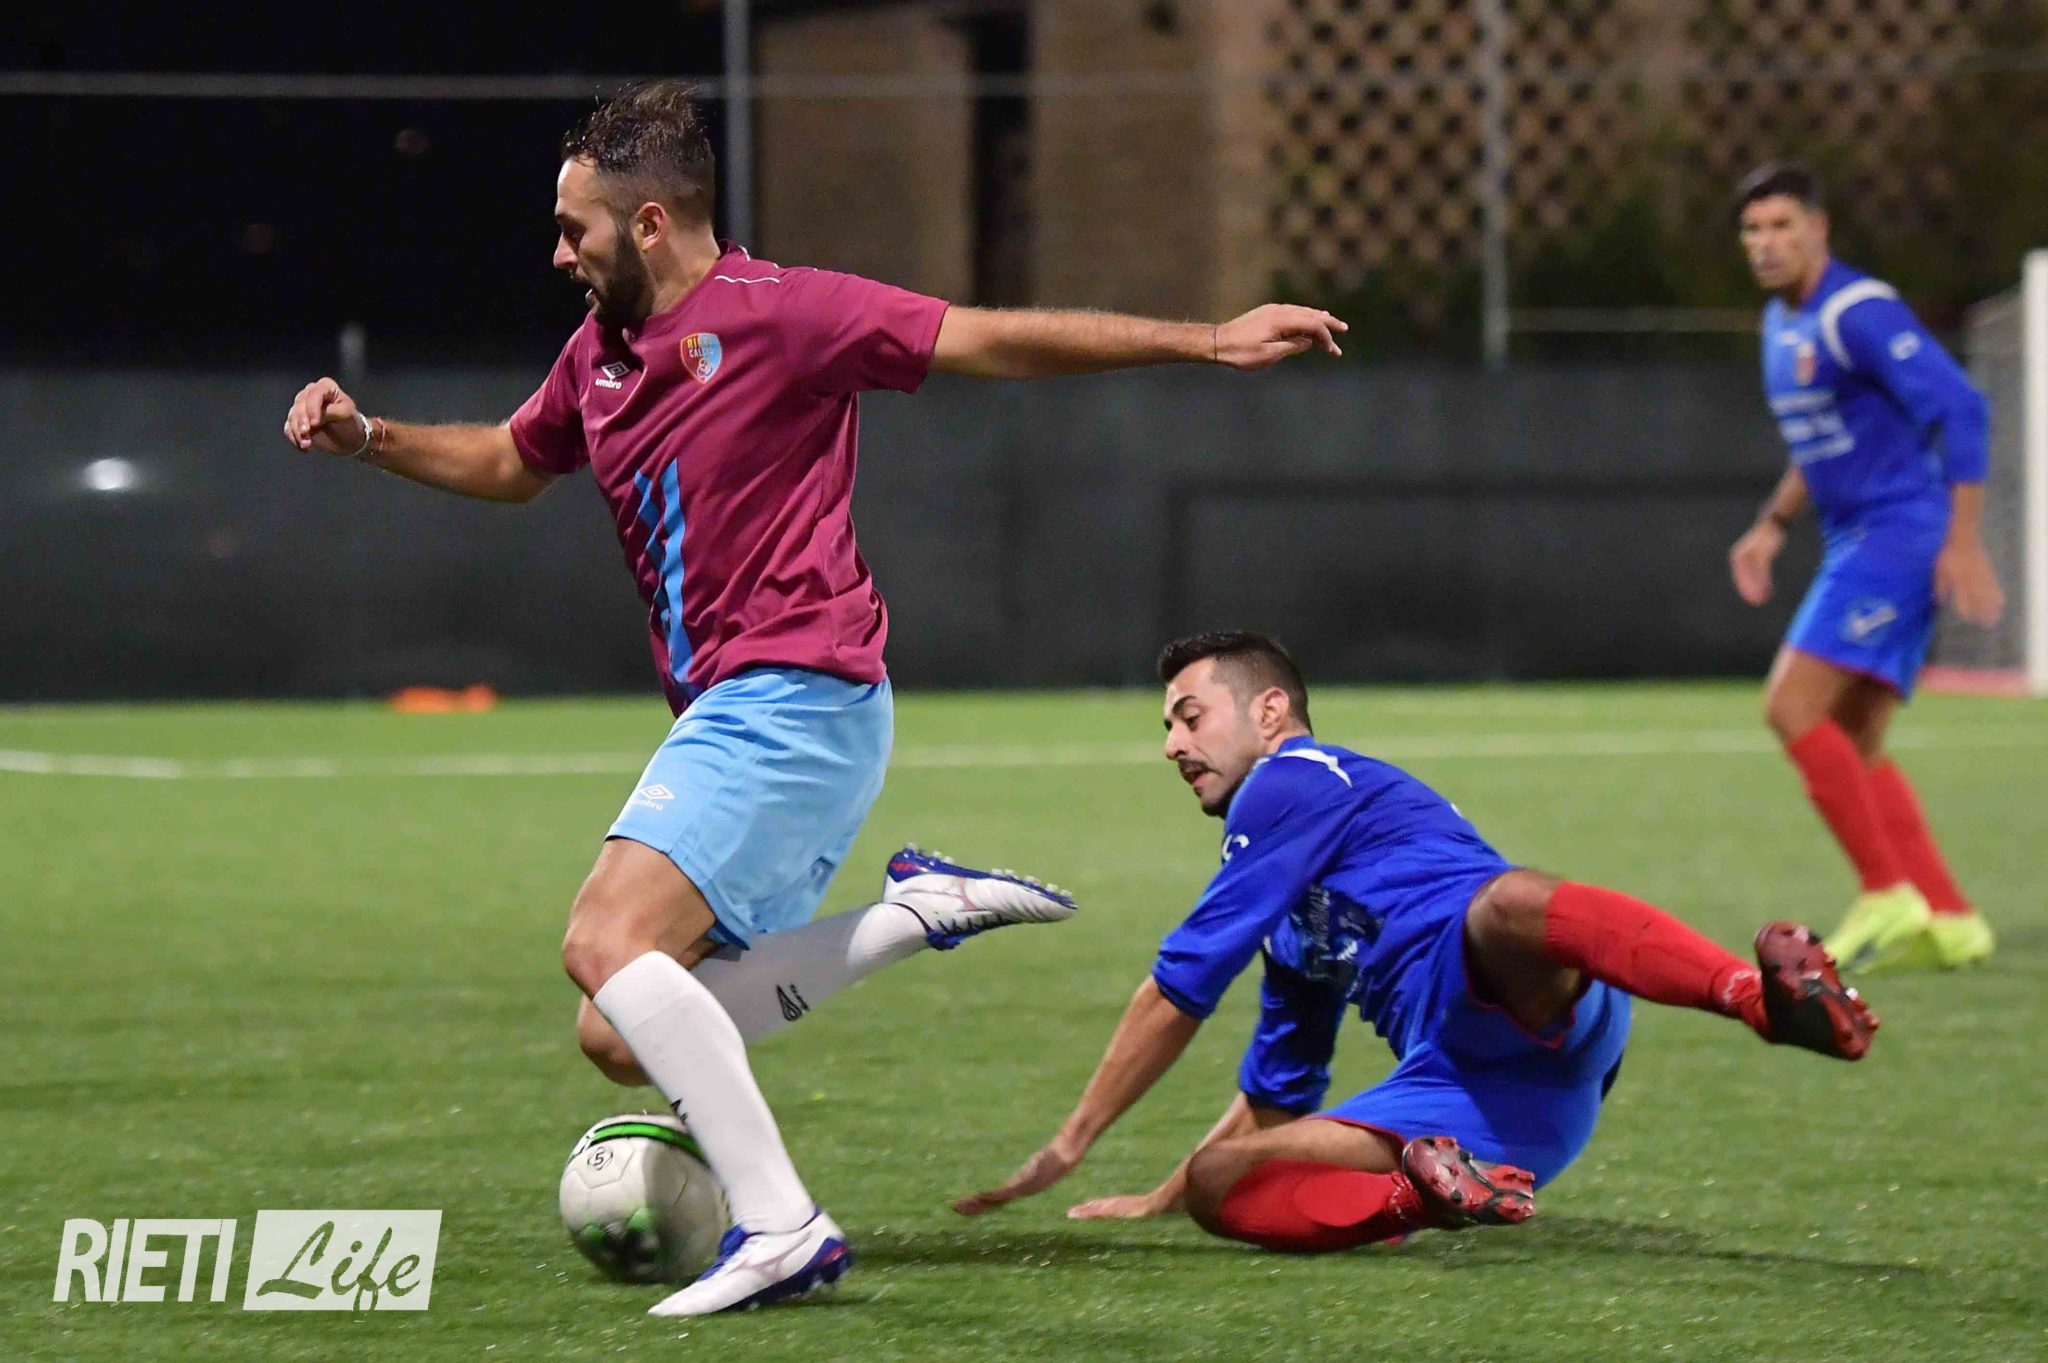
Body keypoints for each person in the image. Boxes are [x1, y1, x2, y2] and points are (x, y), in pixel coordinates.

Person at [280, 81, 1347, 1315]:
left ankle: (780, 1223)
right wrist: (372, 437)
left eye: (575, 229)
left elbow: (986, 337)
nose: (555, 251)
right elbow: (518, 461)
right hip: (743, 708)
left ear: (650, 226)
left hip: (794, 690)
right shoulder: (601, 356)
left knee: (600, 940)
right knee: (622, 1031)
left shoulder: (787, 314)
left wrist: (1204, 339)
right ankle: (909, 914)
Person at [953, 632, 1876, 1251]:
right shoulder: (1288, 911)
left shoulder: (1295, 776)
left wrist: (1072, 1140)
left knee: (1505, 903)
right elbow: (1277, 1091)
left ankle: (1762, 1001)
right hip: (1491, 1109)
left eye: (1190, 715)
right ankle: (1429, 1191)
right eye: (1166, 727)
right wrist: (1169, 1189)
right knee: (1219, 1180)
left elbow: (1180, 983)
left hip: (1523, 995)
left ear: (1271, 712)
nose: (1171, 744)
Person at [1727, 161, 2002, 973]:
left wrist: (1963, 538)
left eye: (1782, 225)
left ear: (1819, 229)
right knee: (1856, 733)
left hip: (1901, 532)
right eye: (1753, 230)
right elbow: (1819, 442)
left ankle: (1887, 892)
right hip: (1863, 537)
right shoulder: (1782, 325)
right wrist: (1772, 524)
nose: (1768, 243)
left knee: (1791, 707)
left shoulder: (1858, 309)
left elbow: (1962, 406)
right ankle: (1950, 917)